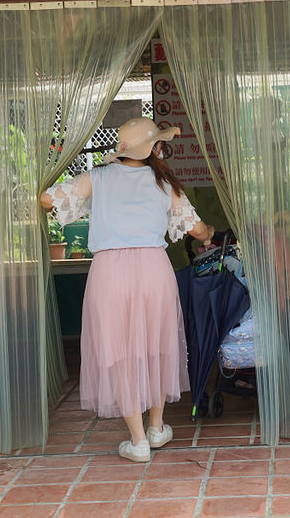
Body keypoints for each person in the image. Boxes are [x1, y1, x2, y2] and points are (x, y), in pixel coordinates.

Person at [40, 117, 214, 463]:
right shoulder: (164, 182)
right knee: (156, 345)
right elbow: (196, 230)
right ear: (153, 148)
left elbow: (47, 200)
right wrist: (209, 233)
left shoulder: (99, 178)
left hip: (111, 272)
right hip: (153, 269)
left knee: (120, 350)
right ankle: (157, 427)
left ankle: (137, 441)